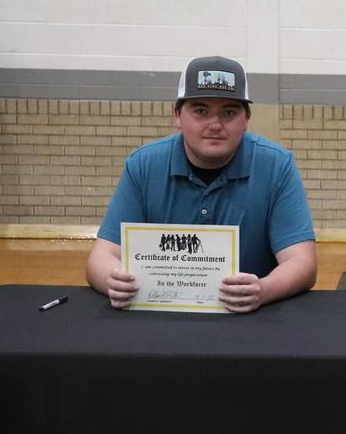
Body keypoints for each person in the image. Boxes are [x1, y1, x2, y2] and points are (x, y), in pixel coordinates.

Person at [86, 55, 317, 312]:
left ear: (246, 118)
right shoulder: (143, 165)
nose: (215, 125)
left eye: (229, 112)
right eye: (201, 111)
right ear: (177, 115)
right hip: (159, 317)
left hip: (250, 320)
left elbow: (302, 262)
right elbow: (102, 256)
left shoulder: (276, 166)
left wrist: (263, 290)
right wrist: (113, 280)